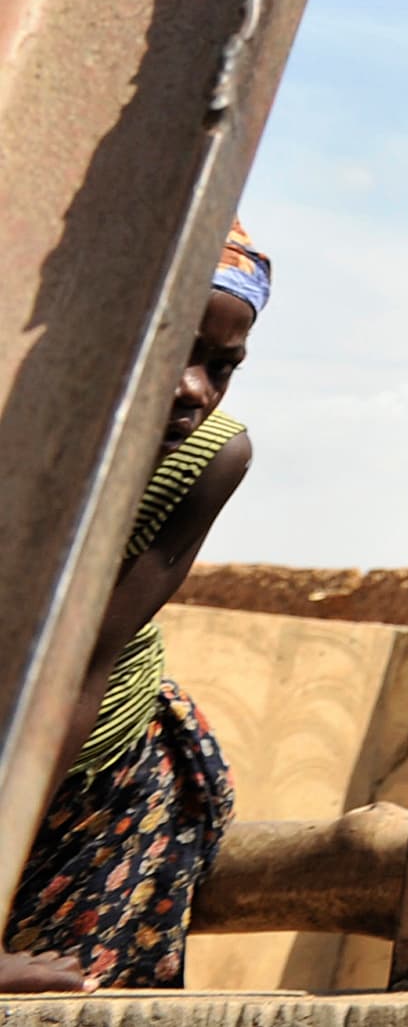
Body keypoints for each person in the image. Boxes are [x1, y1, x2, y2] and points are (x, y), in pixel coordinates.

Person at [0, 224, 271, 993]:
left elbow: (83, 661)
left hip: (86, 781)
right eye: (174, 349)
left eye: (223, 366)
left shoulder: (211, 456)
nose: (194, 388)